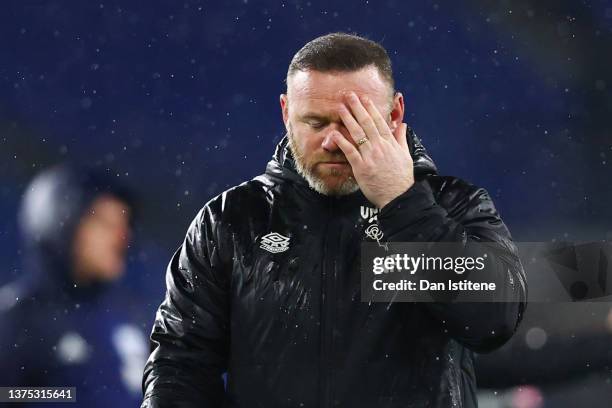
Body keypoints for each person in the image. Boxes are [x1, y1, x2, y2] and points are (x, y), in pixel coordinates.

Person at [141, 32, 527, 408]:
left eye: (351, 122)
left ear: (394, 114)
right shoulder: (230, 220)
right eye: (315, 122)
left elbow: (494, 321)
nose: (332, 142)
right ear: (285, 112)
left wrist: (403, 203)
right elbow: (180, 363)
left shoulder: (456, 205)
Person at [0, 164, 149, 407]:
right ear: (61, 223)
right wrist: (64, 395)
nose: (121, 237)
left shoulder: (127, 319)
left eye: (124, 225)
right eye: (104, 223)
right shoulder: (17, 318)